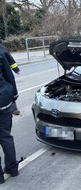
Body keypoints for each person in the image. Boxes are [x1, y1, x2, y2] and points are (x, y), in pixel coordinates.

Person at [0, 48, 19, 184]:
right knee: (6, 136)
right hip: (3, 99)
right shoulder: (0, 50)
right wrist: (14, 95)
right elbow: (9, 75)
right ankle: (12, 169)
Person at [0, 40, 21, 115]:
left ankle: (13, 108)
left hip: (6, 74)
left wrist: (16, 69)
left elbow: (10, 60)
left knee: (10, 89)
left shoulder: (3, 49)